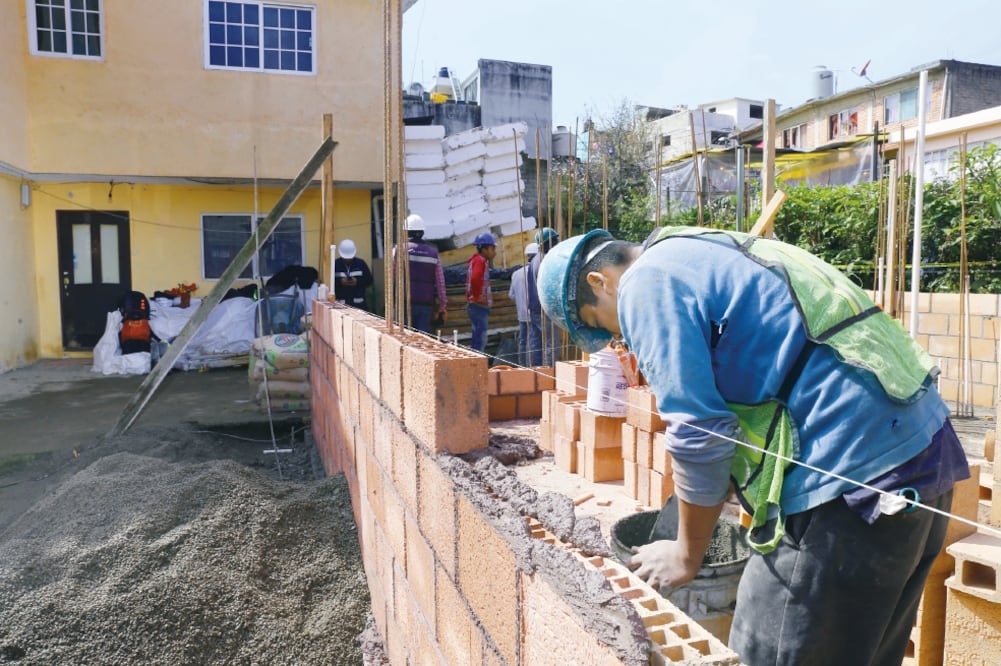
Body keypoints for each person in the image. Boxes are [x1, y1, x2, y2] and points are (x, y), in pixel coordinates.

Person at [536, 225, 970, 665]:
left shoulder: (645, 283)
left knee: (765, 650)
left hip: (849, 479)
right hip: (921, 454)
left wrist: (687, 554)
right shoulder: (702, 247)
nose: (617, 337)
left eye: (600, 323)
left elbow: (697, 432)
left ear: (600, 281)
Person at [395, 214, 448, 334]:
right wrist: (442, 307)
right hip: (425, 305)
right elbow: (440, 283)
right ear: (422, 232)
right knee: (422, 342)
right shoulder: (433, 253)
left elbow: (393, 276)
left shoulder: (399, 250)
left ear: (406, 232)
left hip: (405, 304)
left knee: (404, 340)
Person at [525, 227, 560, 366]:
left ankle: (535, 373)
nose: (557, 243)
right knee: (551, 345)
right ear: (547, 243)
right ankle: (550, 374)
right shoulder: (546, 261)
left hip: (534, 309)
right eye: (555, 240)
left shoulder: (534, 260)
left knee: (536, 344)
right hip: (545, 309)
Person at [508, 242, 538, 366]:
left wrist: (520, 303)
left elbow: (511, 295)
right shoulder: (538, 272)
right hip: (535, 315)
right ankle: (531, 366)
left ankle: (521, 366)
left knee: (523, 341)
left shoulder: (516, 274)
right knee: (534, 342)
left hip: (521, 315)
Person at [465, 232, 496, 352]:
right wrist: (478, 296)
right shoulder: (480, 261)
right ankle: (477, 365)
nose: (494, 252)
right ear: (484, 249)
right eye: (492, 248)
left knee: (477, 337)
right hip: (479, 306)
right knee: (480, 339)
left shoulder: (477, 260)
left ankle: (475, 363)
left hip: (476, 306)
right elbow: (475, 278)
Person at [332, 239, 373, 311]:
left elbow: (369, 280)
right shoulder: (335, 264)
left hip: (359, 305)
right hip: (341, 305)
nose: (347, 259)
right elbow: (330, 282)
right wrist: (340, 282)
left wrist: (357, 281)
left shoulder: (361, 263)